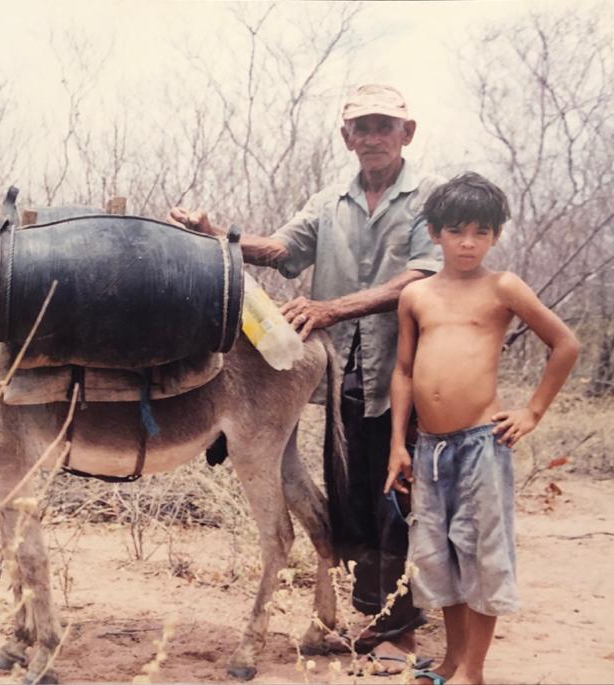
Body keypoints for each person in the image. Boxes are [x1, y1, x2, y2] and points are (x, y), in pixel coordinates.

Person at [169, 84, 442, 672]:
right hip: (346, 369)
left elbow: (420, 278)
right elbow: (283, 248)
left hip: (413, 367)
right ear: (346, 137)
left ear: (407, 133)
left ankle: (402, 631)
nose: (371, 137)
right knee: (356, 487)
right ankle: (369, 613)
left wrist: (332, 308)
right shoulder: (330, 200)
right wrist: (219, 236)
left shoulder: (429, 199)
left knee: (404, 492)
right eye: (360, 128)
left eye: (383, 126)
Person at [383, 173, 579, 685]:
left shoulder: (503, 287)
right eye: (456, 231)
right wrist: (397, 447)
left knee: (481, 553)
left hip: (480, 444)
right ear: (433, 233)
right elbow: (403, 372)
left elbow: (565, 344)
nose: (468, 243)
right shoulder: (416, 295)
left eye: (480, 232)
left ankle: (474, 669)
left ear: (495, 235)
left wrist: (532, 411)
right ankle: (450, 661)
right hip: (427, 449)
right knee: (437, 554)